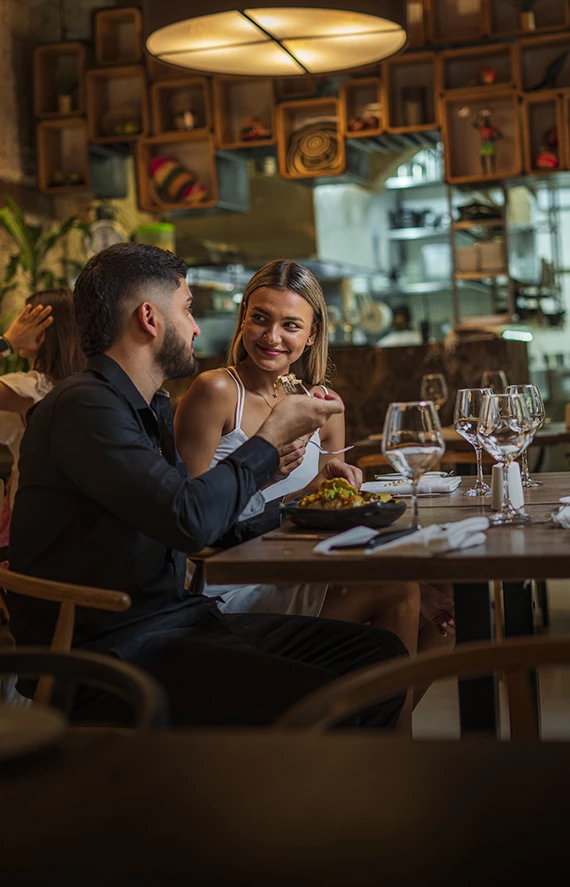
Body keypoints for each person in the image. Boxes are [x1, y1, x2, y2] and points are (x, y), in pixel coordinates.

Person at [8, 243, 407, 729]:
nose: (197, 327)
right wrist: (269, 440)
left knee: (378, 652)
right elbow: (190, 520)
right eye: (188, 309)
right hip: (117, 651)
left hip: (176, 622)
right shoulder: (85, 407)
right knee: (340, 699)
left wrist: (300, 505)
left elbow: (205, 524)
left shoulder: (142, 407)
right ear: (150, 319)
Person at [174, 261, 454, 683]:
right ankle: (390, 745)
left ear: (312, 335)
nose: (271, 337)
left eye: (290, 325)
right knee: (399, 591)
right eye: (260, 319)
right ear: (243, 319)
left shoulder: (324, 405)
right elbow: (189, 527)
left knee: (444, 615)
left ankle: (367, 737)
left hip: (302, 569)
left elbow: (331, 517)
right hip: (226, 586)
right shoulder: (215, 391)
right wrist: (266, 474)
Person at [0, 288, 86, 543]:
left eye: (25, 319)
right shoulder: (88, 384)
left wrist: (8, 342)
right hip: (72, 520)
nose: (18, 324)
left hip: (30, 515)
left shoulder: (28, 389)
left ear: (42, 332)